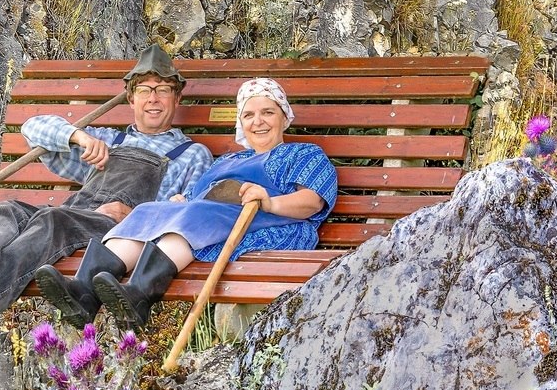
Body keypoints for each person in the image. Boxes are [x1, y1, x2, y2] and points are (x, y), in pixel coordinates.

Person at [0, 44, 214, 328]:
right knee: (11, 210)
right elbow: (32, 129)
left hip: (118, 232)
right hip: (78, 215)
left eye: (163, 89)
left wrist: (135, 215)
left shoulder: (191, 154)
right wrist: (78, 137)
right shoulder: (107, 140)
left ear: (176, 99)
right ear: (131, 98)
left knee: (53, 219)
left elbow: (187, 216)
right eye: (144, 90)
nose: (153, 98)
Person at [35, 78, 338, 330]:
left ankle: (140, 294)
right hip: (212, 218)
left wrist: (270, 202)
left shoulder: (304, 154)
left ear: (284, 116)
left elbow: (311, 202)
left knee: (197, 212)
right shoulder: (230, 159)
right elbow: (197, 196)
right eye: (249, 115)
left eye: (268, 112)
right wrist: (182, 200)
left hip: (269, 220)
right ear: (240, 123)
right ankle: (83, 292)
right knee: (149, 210)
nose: (258, 122)